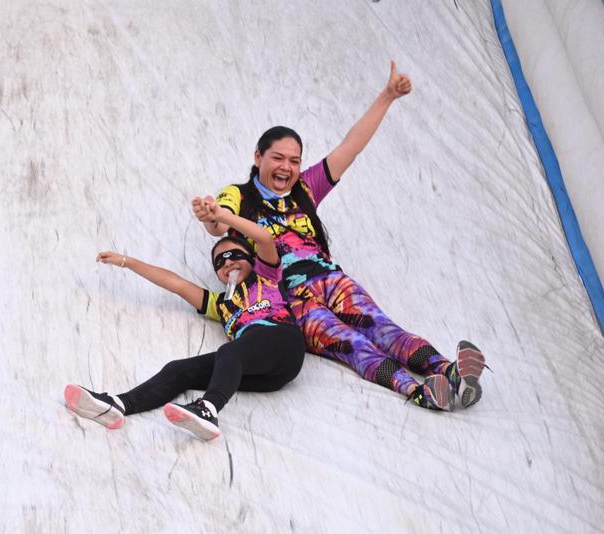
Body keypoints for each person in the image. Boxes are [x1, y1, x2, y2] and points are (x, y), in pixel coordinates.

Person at [193, 61, 486, 412]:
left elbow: (351, 146)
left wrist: (388, 96)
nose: (286, 167)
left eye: (294, 160)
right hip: (290, 298)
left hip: (331, 280)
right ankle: (417, 391)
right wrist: (211, 216)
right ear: (258, 157)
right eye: (277, 158)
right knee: (350, 344)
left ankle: (449, 371)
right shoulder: (238, 195)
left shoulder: (306, 188)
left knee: (383, 328)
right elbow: (220, 224)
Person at [64, 201, 305, 440]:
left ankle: (208, 409)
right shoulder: (220, 304)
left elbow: (264, 238)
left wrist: (223, 216)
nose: (228, 262)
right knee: (179, 370)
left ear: (252, 259)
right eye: (220, 262)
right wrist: (128, 262)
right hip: (265, 375)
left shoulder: (267, 276)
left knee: (230, 352)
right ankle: (119, 405)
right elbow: (176, 284)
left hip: (285, 345)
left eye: (234, 255)